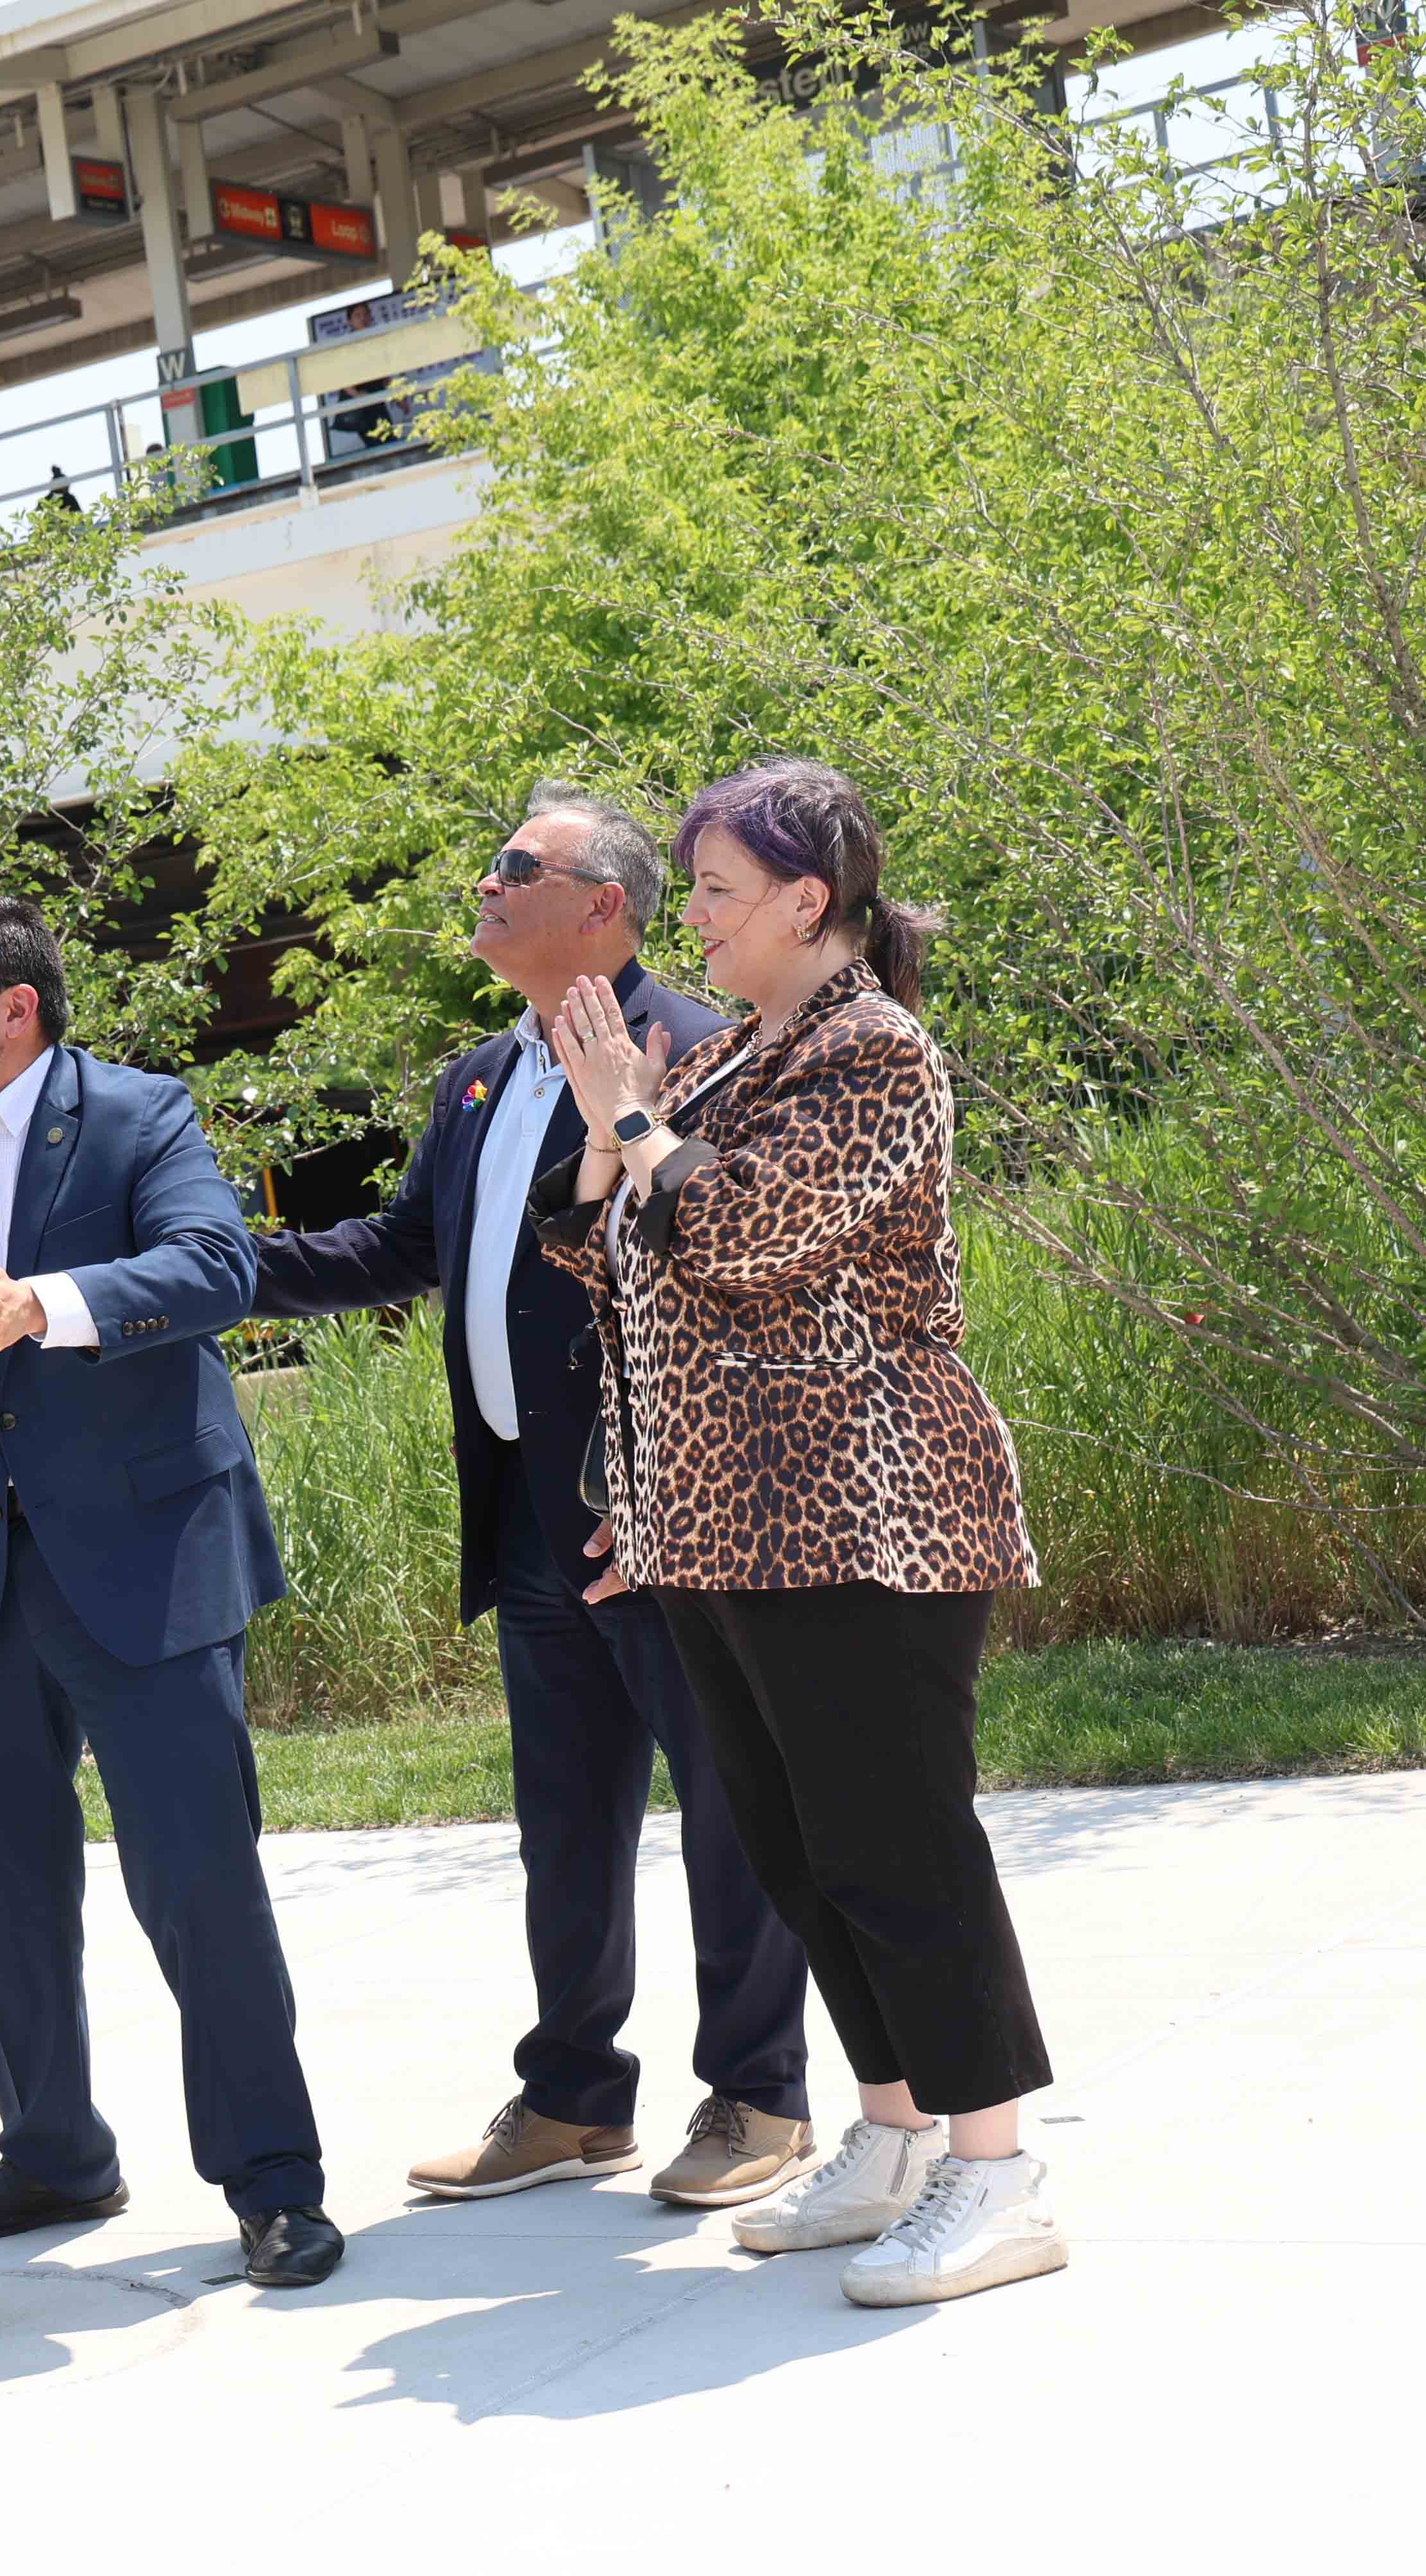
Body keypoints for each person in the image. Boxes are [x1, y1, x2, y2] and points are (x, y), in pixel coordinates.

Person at [534, 757, 1062, 2309]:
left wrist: (627, 1112)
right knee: (803, 1850)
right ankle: (891, 2139)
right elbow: (605, 1256)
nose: (686, 918)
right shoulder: (719, 1065)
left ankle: (997, 2166)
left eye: (713, 890)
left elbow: (748, 1237)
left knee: (902, 1849)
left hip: (866, 1514)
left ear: (807, 901)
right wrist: (604, 1128)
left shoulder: (876, 1056)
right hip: (718, 1524)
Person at [255, 786, 812, 2210]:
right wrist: (204, 1266)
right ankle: (573, 2095)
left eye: (520, 867)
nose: (487, 885)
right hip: (529, 1515)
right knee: (565, 1818)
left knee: (731, 1803)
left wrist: (680, 1485)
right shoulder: (479, 1078)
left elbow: (732, 1283)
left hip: (670, 1515)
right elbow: (400, 1248)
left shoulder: (698, 1051)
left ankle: (758, 2094)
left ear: (605, 907)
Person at [0, 893, 342, 2289]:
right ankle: (54, 2150)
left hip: (150, 1556)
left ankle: (274, 2178)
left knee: (198, 1878)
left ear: (14, 1006)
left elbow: (215, 1268)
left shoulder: (141, 1115)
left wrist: (49, 1300)